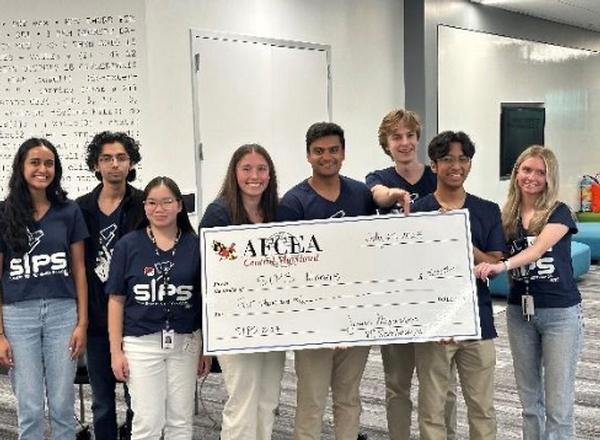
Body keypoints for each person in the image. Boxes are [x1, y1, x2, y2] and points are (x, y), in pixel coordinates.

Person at [474, 146, 584, 439]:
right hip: (519, 313)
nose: (532, 177)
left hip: (560, 314)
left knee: (558, 405)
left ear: (549, 178)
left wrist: (503, 265)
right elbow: (490, 254)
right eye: (526, 170)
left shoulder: (559, 212)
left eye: (540, 172)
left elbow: (537, 250)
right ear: (516, 173)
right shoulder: (505, 216)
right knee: (529, 402)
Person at [278, 122, 376, 440]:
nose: (327, 157)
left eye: (334, 150)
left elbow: (373, 247)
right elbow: (289, 269)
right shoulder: (293, 203)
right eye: (319, 151)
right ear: (308, 155)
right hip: (314, 320)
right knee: (311, 401)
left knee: (349, 398)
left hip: (354, 315)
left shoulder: (360, 194)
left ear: (343, 153)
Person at [366, 109, 457, 440]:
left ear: (418, 138)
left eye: (409, 135)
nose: (404, 143)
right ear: (386, 144)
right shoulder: (377, 178)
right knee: (397, 384)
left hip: (437, 293)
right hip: (395, 298)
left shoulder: (439, 177)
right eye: (396, 137)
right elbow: (376, 194)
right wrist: (392, 195)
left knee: (442, 385)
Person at [413, 131, 505, 440]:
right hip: (434, 325)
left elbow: (493, 268)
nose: (456, 166)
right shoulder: (418, 212)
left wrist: (459, 234)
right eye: (448, 159)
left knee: (482, 407)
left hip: (477, 321)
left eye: (463, 159)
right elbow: (410, 272)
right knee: (433, 408)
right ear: (434, 165)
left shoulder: (487, 210)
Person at [107, 176, 212, 439]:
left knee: (180, 421)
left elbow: (206, 299)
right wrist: (115, 351)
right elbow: (116, 301)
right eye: (152, 202)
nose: (159, 208)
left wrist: (206, 349)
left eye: (167, 202)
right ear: (144, 207)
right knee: (147, 423)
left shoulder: (196, 245)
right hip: (141, 344)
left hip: (186, 342)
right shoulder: (127, 246)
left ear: (179, 205)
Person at [0, 138, 89, 439]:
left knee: (63, 407)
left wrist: (82, 322)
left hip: (62, 314)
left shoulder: (69, 211)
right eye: (35, 162)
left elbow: (79, 270)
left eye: (49, 163)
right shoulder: (3, 213)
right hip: (18, 315)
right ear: (21, 167)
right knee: (30, 407)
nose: (42, 169)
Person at [199, 143, 285, 440]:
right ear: (234, 174)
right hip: (235, 324)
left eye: (261, 169)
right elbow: (210, 270)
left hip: (273, 322)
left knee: (268, 399)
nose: (255, 176)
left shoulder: (277, 211)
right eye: (246, 168)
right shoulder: (218, 213)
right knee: (243, 400)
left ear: (270, 174)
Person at [77, 131, 144, 439]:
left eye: (121, 158)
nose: (114, 164)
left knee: (137, 399)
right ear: (96, 165)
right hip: (94, 318)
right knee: (102, 401)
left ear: (131, 164)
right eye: (106, 158)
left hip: (135, 318)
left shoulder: (144, 204)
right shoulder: (80, 208)